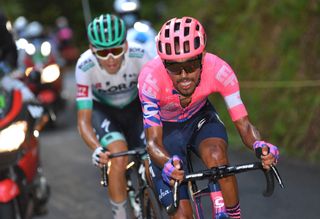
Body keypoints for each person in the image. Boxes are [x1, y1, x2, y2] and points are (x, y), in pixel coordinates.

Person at [138, 16, 280, 219]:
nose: (184, 75)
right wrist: (167, 162)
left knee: (217, 157)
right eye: (175, 68)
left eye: (192, 65)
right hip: (166, 129)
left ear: (203, 56)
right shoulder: (150, 78)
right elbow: (152, 142)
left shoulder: (219, 70)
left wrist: (259, 146)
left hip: (200, 119)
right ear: (163, 63)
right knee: (181, 215)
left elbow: (244, 126)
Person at [75, 13, 152, 219]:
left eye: (116, 50)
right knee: (118, 158)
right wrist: (97, 148)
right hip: (105, 112)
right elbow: (83, 119)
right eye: (103, 53)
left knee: (151, 157)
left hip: (137, 108)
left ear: (126, 46)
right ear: (92, 49)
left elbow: (158, 99)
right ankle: (119, 214)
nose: (110, 58)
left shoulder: (141, 54)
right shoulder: (84, 65)